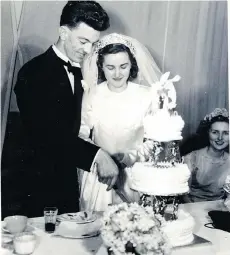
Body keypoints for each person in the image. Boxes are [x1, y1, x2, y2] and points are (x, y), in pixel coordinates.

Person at [14, 1, 119, 217]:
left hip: (77, 182)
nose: (88, 50)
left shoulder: (87, 71)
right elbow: (48, 135)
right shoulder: (33, 73)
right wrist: (98, 156)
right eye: (83, 41)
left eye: (93, 43)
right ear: (63, 32)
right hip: (44, 185)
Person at [78, 33, 163, 211]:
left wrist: (128, 157)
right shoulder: (92, 94)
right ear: (101, 66)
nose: (117, 74)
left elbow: (154, 142)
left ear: (132, 64)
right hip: (101, 177)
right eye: (110, 67)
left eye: (123, 66)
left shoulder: (147, 96)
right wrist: (100, 158)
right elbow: (82, 133)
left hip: (135, 175)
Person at [183, 108, 230, 202]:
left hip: (220, 211)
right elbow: (184, 195)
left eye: (226, 133)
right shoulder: (192, 158)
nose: (220, 138)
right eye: (215, 132)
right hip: (192, 209)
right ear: (208, 132)